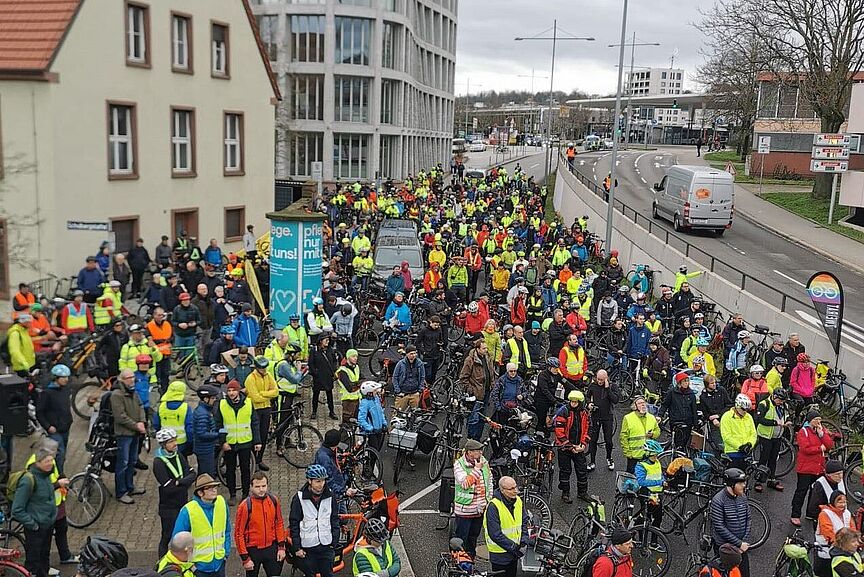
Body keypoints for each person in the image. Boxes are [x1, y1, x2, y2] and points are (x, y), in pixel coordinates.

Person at [12, 440, 60, 577]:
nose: (50, 464)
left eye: (51, 460)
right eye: (47, 461)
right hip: (36, 529)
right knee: (34, 563)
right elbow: (17, 509)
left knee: (44, 559)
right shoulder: (28, 480)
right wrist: (33, 524)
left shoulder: (46, 476)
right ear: (38, 463)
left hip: (48, 525)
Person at [173, 474, 232, 577]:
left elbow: (227, 530)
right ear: (200, 492)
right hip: (198, 569)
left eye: (215, 487)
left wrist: (225, 554)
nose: (214, 490)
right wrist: (191, 566)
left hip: (219, 565)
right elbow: (177, 543)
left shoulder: (221, 503)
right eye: (209, 488)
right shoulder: (188, 511)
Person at [289, 464, 341, 577]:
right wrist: (297, 548)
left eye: (323, 481)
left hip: (326, 547)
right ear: (309, 480)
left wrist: (334, 543)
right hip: (308, 549)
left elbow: (334, 519)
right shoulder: (298, 498)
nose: (321, 484)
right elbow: (294, 524)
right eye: (318, 481)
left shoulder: (330, 496)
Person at [215, 380, 261, 505]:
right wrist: (223, 441)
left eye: (233, 390)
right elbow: (219, 424)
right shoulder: (222, 404)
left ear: (239, 391)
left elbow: (254, 422)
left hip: (245, 442)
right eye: (229, 390)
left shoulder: (248, 403)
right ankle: (232, 494)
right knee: (230, 470)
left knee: (245, 469)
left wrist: (257, 441)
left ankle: (246, 494)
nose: (231, 393)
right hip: (229, 443)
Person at [234, 472, 287, 577]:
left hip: (271, 547)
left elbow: (279, 523)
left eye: (264, 486)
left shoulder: (273, 501)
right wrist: (245, 558)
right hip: (253, 551)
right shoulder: (245, 506)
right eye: (257, 487)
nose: (261, 489)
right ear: (251, 487)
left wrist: (281, 547)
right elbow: (238, 534)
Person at [153, 429, 196, 558]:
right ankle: (162, 562)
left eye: (175, 440)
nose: (175, 444)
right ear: (163, 444)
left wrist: (178, 482)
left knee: (184, 534)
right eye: (171, 442)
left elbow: (193, 474)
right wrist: (184, 483)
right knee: (167, 536)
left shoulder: (178, 455)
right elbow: (168, 488)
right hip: (168, 506)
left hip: (183, 502)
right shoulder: (158, 462)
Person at [792, 410, 835, 526]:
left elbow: (829, 445)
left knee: (815, 492)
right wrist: (819, 449)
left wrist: (823, 435)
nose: (818, 422)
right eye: (816, 420)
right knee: (801, 491)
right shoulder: (803, 432)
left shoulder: (821, 431)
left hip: (818, 468)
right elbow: (805, 449)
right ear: (810, 420)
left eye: (820, 420)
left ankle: (810, 513)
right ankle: (795, 514)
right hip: (805, 468)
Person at [111, 369, 147, 504]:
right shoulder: (116, 395)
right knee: (123, 463)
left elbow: (141, 406)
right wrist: (136, 425)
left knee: (132, 461)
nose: (132, 379)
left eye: (132, 377)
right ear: (122, 380)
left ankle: (130, 487)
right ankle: (121, 492)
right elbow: (120, 417)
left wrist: (142, 422)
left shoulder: (133, 391)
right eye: (128, 378)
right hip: (124, 434)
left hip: (135, 433)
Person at [453, 438, 493, 558]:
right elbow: (465, 484)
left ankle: (471, 561)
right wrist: (476, 469)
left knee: (473, 538)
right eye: (478, 451)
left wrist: (489, 498)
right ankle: (458, 563)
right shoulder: (459, 465)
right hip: (465, 510)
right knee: (461, 540)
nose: (481, 453)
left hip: (479, 510)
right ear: (469, 452)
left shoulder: (483, 462)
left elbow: (489, 480)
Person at [483, 476, 529, 577]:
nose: (515, 491)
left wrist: (524, 541)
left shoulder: (518, 501)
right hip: (500, 555)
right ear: (502, 490)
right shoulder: (493, 506)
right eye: (511, 489)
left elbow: (524, 522)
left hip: (514, 553)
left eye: (515, 487)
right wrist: (514, 547)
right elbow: (495, 534)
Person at [710, 468, 752, 577]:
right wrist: (739, 544)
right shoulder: (718, 500)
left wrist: (744, 542)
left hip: (742, 547)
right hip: (726, 549)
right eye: (741, 483)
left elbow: (748, 519)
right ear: (731, 484)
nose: (744, 485)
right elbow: (719, 526)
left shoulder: (743, 497)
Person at [553, 390, 590, 503]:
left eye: (576, 402)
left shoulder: (584, 413)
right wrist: (570, 446)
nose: (573, 404)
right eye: (572, 401)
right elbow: (559, 432)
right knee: (565, 470)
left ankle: (582, 493)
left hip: (578, 446)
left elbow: (588, 429)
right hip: (565, 448)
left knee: (582, 470)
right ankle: (565, 493)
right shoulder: (563, 411)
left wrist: (583, 444)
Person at [36, 364, 74, 473]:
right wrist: (48, 427)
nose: (66, 380)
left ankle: (58, 472)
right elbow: (39, 412)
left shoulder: (66, 390)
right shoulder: (47, 393)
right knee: (59, 453)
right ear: (56, 378)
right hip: (54, 430)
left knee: (63, 453)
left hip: (65, 427)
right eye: (63, 377)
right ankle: (60, 475)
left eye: (67, 377)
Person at [244, 357, 278, 472]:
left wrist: (262, 393)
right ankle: (252, 461)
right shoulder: (250, 379)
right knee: (255, 436)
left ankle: (259, 459)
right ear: (257, 368)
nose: (264, 370)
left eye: (265, 368)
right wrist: (267, 395)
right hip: (255, 410)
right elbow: (255, 398)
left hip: (266, 408)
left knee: (263, 436)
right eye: (262, 368)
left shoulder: (268, 375)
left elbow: (276, 391)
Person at [815, 490, 857, 577]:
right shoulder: (824, 514)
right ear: (833, 502)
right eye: (840, 502)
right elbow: (828, 533)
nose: (843, 504)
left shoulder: (847, 513)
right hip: (826, 550)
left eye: (845, 502)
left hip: (842, 551)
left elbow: (852, 529)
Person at [753, 388, 787, 492]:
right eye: (780, 400)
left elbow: (786, 416)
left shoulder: (783, 406)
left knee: (773, 459)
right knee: (764, 458)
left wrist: (788, 421)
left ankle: (771, 479)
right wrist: (775, 423)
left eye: (782, 401)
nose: (781, 403)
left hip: (777, 436)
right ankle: (758, 481)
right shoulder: (764, 404)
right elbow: (760, 419)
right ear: (774, 397)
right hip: (765, 436)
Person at [460, 337, 494, 441]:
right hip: (477, 394)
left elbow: (491, 372)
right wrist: (472, 390)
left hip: (486, 391)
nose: (486, 350)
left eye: (486, 348)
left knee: (482, 417)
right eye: (484, 348)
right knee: (474, 418)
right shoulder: (470, 360)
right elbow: (463, 378)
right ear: (477, 349)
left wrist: (492, 383)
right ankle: (471, 439)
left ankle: (477, 439)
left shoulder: (487, 357)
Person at [587, 369, 620, 471]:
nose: (600, 382)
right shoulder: (593, 386)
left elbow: (615, 400)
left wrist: (607, 389)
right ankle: (592, 461)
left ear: (606, 379)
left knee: (609, 441)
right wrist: (589, 404)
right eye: (598, 379)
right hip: (596, 416)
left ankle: (609, 458)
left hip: (607, 416)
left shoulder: (612, 386)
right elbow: (587, 397)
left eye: (602, 380)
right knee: (593, 440)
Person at [620, 395, 661, 474]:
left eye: (644, 403)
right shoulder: (628, 418)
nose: (643, 405)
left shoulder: (651, 417)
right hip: (634, 456)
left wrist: (652, 435)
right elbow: (623, 436)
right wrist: (627, 452)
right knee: (631, 479)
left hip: (648, 454)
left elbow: (657, 431)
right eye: (639, 403)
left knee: (646, 477)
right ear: (634, 406)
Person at [658, 372, 698, 451]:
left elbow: (694, 409)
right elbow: (665, 404)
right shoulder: (672, 393)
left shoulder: (691, 394)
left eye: (687, 381)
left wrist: (695, 423)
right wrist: (660, 415)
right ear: (679, 383)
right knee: (677, 442)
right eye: (684, 381)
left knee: (685, 442)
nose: (687, 383)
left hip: (688, 422)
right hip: (675, 421)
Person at [153, 381, 194, 457]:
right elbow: (189, 428)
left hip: (165, 442)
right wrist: (190, 442)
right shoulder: (185, 407)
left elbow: (156, 424)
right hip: (181, 443)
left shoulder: (161, 406)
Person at [634, 440, 665, 531]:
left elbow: (660, 474)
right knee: (645, 517)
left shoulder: (657, 462)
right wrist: (659, 482)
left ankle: (654, 542)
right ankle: (637, 534)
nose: (656, 457)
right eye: (654, 455)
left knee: (658, 517)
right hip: (646, 493)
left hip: (657, 493)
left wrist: (663, 480)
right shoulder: (641, 466)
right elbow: (641, 482)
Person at [192, 385, 221, 478]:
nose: (214, 400)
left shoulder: (204, 410)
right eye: (212, 398)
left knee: (203, 474)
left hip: (204, 448)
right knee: (207, 476)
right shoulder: (203, 414)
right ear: (205, 399)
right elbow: (202, 434)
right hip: (205, 449)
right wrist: (218, 434)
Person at [309, 333, 338, 419]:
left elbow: (334, 361)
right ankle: (314, 411)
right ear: (320, 341)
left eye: (328, 340)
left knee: (329, 394)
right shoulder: (314, 350)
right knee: (316, 394)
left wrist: (333, 370)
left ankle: (331, 411)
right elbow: (311, 363)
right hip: (318, 377)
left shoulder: (331, 350)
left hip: (327, 376)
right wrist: (315, 373)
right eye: (326, 340)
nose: (328, 342)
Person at [392, 345, 426, 411]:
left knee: (415, 415)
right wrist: (398, 391)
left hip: (415, 393)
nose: (413, 355)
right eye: (411, 354)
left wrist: (419, 390)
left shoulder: (420, 364)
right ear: (407, 354)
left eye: (415, 353)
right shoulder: (400, 364)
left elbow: (422, 377)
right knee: (397, 414)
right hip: (403, 393)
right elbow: (395, 377)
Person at [357, 381, 387, 452]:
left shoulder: (376, 399)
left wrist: (384, 423)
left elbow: (381, 412)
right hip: (371, 432)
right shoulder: (365, 403)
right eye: (375, 390)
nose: (376, 391)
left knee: (378, 450)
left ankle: (373, 463)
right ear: (369, 392)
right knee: (374, 451)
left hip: (379, 430)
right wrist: (370, 428)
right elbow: (361, 419)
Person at [338, 348, 363, 424]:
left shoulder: (357, 368)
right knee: (347, 425)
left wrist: (356, 383)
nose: (355, 358)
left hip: (357, 400)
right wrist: (359, 384)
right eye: (353, 356)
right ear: (348, 358)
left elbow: (364, 379)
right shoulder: (342, 371)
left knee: (355, 424)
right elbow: (350, 388)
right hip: (348, 402)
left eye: (356, 356)